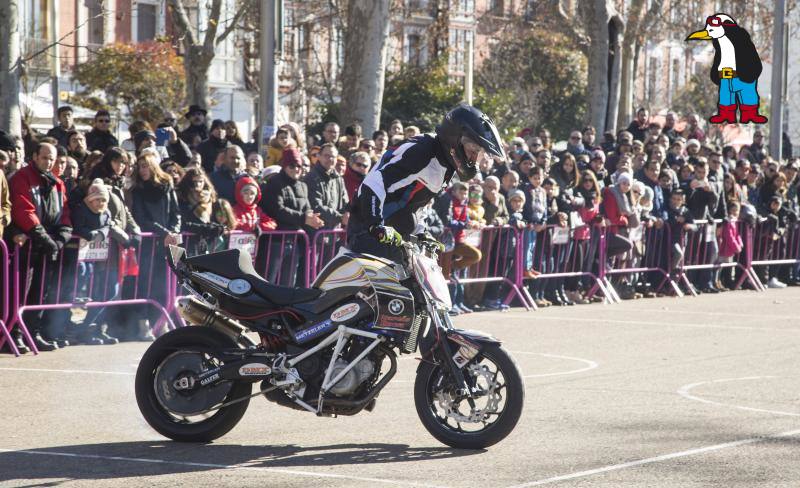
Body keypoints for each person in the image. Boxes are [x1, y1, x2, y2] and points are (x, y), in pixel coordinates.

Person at [347, 104, 505, 263]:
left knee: (417, 284)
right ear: (455, 140)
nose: (474, 158)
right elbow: (374, 182)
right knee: (387, 285)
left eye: (479, 153)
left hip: (397, 233)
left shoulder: (447, 165)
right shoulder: (422, 151)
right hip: (368, 227)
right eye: (473, 150)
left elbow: (417, 202)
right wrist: (375, 224)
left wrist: (420, 231)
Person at [8, 142, 73, 351]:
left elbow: (64, 215)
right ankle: (14, 332)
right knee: (20, 292)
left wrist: (60, 239)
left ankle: (32, 332)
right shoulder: (22, 177)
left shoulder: (57, 183)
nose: (48, 162)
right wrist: (44, 238)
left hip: (47, 245)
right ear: (34, 156)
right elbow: (23, 210)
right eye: (44, 157)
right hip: (27, 245)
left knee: (40, 292)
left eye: (51, 158)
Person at [130, 152, 181, 330]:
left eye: (145, 166)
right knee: (145, 282)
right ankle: (143, 323)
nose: (142, 170)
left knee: (165, 284)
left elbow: (176, 212)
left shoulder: (167, 184)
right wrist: (164, 232)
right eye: (140, 166)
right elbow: (140, 217)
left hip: (168, 242)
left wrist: (173, 231)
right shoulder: (138, 189)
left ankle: (162, 322)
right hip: (149, 243)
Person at [260, 148, 323, 286]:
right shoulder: (275, 182)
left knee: (287, 283)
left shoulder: (302, 185)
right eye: (292, 166)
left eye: (299, 166)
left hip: (295, 241)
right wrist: (304, 218)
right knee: (268, 282)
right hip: (276, 241)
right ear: (284, 165)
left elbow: (307, 208)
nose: (296, 169)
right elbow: (277, 210)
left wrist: (312, 218)